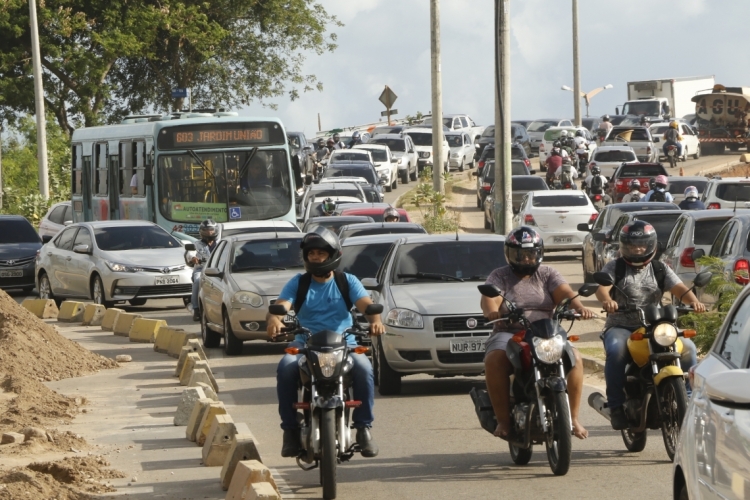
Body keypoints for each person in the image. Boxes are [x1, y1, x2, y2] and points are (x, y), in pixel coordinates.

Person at [267, 227, 385, 457]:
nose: (316, 257)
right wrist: (274, 320)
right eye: (311, 253)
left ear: (332, 255)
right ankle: (289, 431)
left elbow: (366, 305)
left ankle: (363, 428)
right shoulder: (298, 283)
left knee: (364, 368)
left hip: (345, 343)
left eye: (321, 253)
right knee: (286, 367)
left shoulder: (347, 281)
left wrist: (375, 321)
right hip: (305, 343)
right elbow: (281, 306)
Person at [481, 226, 595, 441]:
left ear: (539, 253)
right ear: (509, 254)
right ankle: (504, 421)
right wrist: (493, 313)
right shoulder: (499, 275)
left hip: (546, 331)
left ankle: (573, 418)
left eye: (530, 254)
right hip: (510, 330)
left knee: (576, 358)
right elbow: (490, 298)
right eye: (520, 254)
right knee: (495, 359)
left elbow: (565, 294)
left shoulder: (548, 273)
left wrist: (578, 307)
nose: (525, 259)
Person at [594, 220, 705, 430]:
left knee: (688, 349)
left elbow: (679, 288)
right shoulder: (615, 266)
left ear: (650, 245)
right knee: (616, 351)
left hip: (655, 327)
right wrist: (607, 301)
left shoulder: (659, 267)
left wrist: (695, 303)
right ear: (624, 246)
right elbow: (602, 288)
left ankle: (690, 400)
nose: (638, 249)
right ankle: (616, 406)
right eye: (633, 245)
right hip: (621, 326)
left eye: (642, 244)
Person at [188, 219, 219, 321]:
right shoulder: (196, 244)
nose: (209, 232)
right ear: (201, 231)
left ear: (215, 230)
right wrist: (193, 258)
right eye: (205, 230)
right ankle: (196, 309)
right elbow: (190, 254)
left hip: (217, 269)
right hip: (200, 269)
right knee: (197, 281)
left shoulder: (220, 243)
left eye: (211, 230)